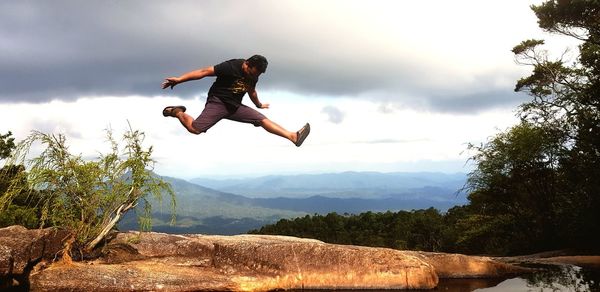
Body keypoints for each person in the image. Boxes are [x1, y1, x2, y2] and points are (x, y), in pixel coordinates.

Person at [161, 55, 310, 147]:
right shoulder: (231, 66)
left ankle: (293, 136)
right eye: (252, 72)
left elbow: (251, 90)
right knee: (195, 129)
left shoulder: (254, 74)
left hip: (235, 106)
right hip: (218, 102)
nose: (254, 76)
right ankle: (177, 111)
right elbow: (204, 72)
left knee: (262, 120)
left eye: (257, 74)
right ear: (247, 64)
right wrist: (179, 80)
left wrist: (258, 105)